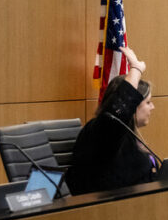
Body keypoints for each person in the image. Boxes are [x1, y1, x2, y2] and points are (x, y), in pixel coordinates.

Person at [65, 46, 157, 195]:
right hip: (102, 212)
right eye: (148, 102)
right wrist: (136, 69)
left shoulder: (128, 135)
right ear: (132, 106)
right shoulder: (103, 131)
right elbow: (119, 109)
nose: (152, 107)